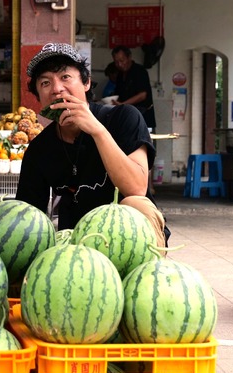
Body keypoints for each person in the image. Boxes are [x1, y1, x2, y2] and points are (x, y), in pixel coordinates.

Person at [15, 42, 166, 245]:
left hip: (130, 240)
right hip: (78, 245)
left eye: (65, 77)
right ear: (39, 97)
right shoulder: (40, 150)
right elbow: (29, 218)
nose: (57, 88)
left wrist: (98, 131)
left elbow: (137, 188)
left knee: (137, 204)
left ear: (86, 83)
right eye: (45, 83)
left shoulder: (123, 118)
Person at [109, 45, 156, 132]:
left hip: (143, 117)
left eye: (122, 60)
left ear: (129, 57)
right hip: (127, 117)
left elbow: (142, 95)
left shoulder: (140, 71)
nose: (119, 64)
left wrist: (123, 104)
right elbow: (118, 95)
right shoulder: (120, 75)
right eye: (116, 62)